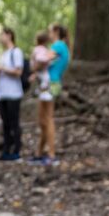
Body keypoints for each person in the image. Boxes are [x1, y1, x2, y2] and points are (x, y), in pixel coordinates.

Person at [31, 23, 70, 167]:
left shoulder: (58, 46)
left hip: (51, 82)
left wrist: (33, 65)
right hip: (50, 82)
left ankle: (52, 154)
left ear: (56, 31)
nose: (48, 34)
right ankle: (39, 153)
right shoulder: (61, 47)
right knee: (42, 119)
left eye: (50, 31)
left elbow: (42, 61)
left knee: (48, 118)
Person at [0, 27, 24, 161]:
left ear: (9, 35)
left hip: (13, 94)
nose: (0, 38)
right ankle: (6, 150)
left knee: (13, 122)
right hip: (2, 93)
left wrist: (3, 68)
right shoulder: (4, 54)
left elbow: (18, 72)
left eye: (2, 35)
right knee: (5, 123)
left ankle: (16, 150)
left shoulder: (16, 52)